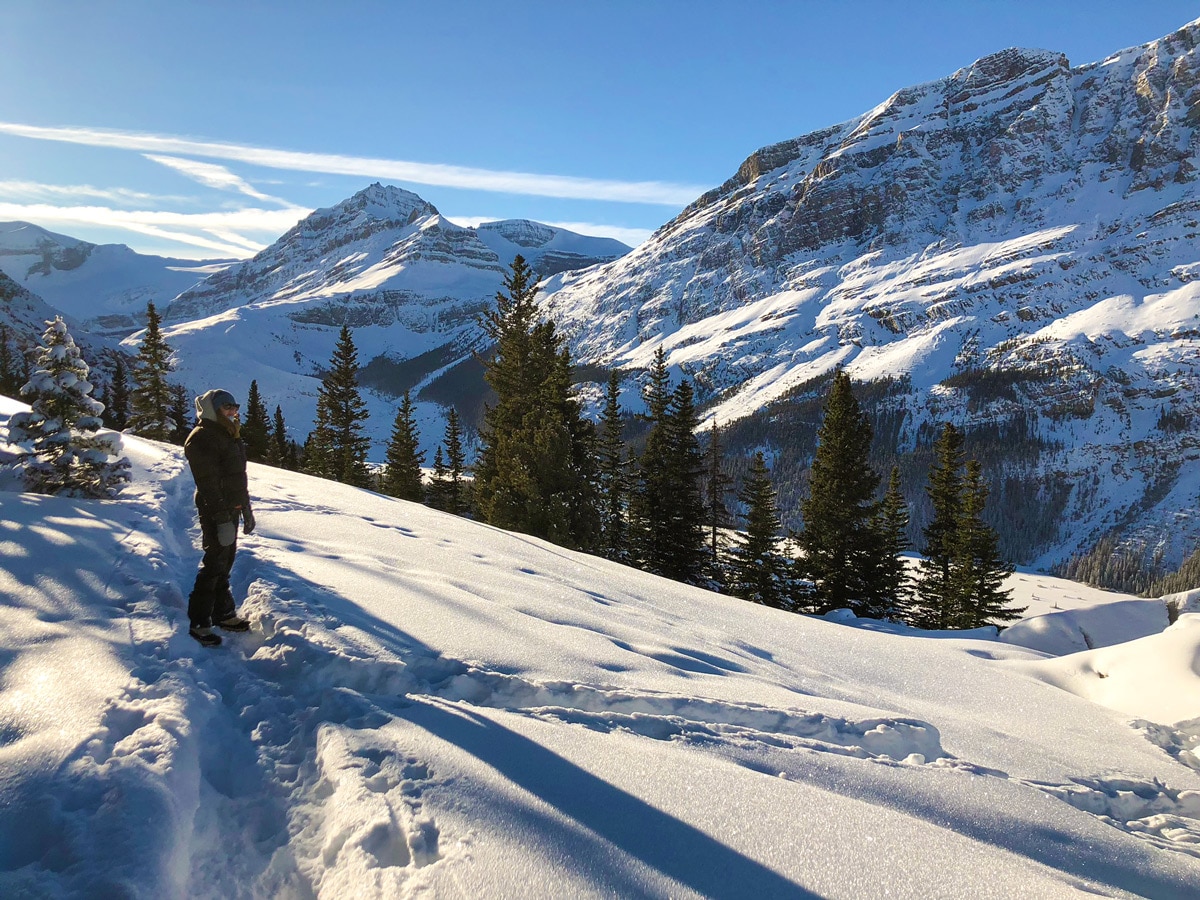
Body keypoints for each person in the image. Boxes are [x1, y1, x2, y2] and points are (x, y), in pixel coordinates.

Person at [184, 388, 256, 646]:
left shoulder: (229, 434)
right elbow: (207, 483)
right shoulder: (202, 437)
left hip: (231, 508)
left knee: (225, 561)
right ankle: (199, 620)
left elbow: (238, 478)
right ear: (212, 410)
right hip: (215, 509)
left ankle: (222, 612)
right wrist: (221, 516)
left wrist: (244, 508)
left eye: (234, 405)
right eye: (227, 406)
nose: (233, 410)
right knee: (214, 562)